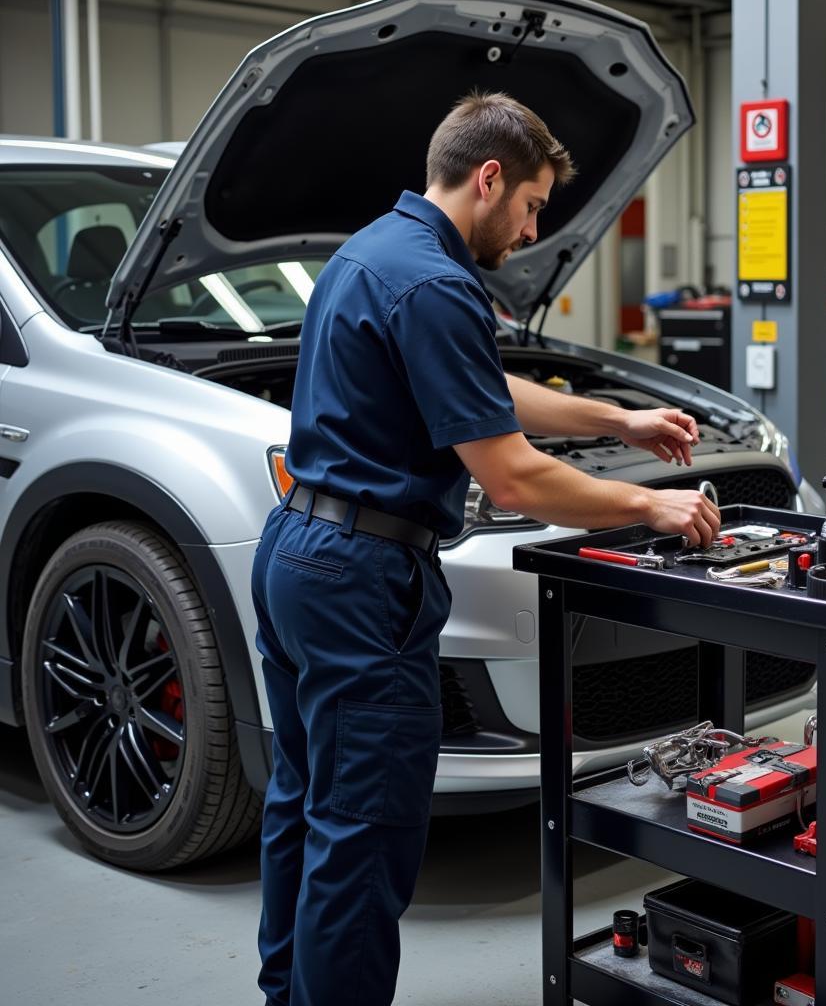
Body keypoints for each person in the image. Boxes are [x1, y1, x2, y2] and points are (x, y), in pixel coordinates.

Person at [251, 91, 721, 1006]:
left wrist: (614, 414)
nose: (534, 228)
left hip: (297, 557)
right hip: (362, 580)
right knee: (362, 836)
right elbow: (514, 479)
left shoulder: (370, 253)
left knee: (303, 814)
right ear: (490, 176)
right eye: (536, 205)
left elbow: (479, 382)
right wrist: (649, 506)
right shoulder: (433, 279)